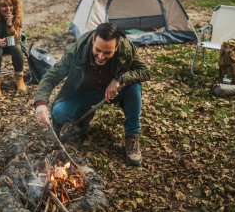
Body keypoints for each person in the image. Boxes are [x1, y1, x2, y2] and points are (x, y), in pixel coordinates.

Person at [34, 23, 151, 166]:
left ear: (117, 45)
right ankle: (83, 118)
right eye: (97, 50)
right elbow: (51, 76)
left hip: (111, 92)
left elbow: (145, 71)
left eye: (108, 53)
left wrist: (119, 79)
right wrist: (41, 103)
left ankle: (132, 136)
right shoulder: (77, 50)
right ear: (93, 39)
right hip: (83, 92)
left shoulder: (126, 49)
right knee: (60, 112)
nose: (101, 57)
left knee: (134, 86)